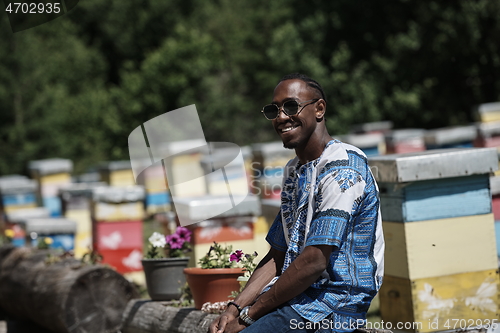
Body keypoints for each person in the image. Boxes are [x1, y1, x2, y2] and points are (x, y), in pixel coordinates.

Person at [209, 73, 384, 333]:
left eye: (291, 106)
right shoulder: (295, 171)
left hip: (333, 304)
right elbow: (277, 254)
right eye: (273, 110)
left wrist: (248, 317)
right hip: (297, 296)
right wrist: (234, 308)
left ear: (320, 109)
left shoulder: (343, 168)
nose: (281, 117)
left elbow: (314, 261)